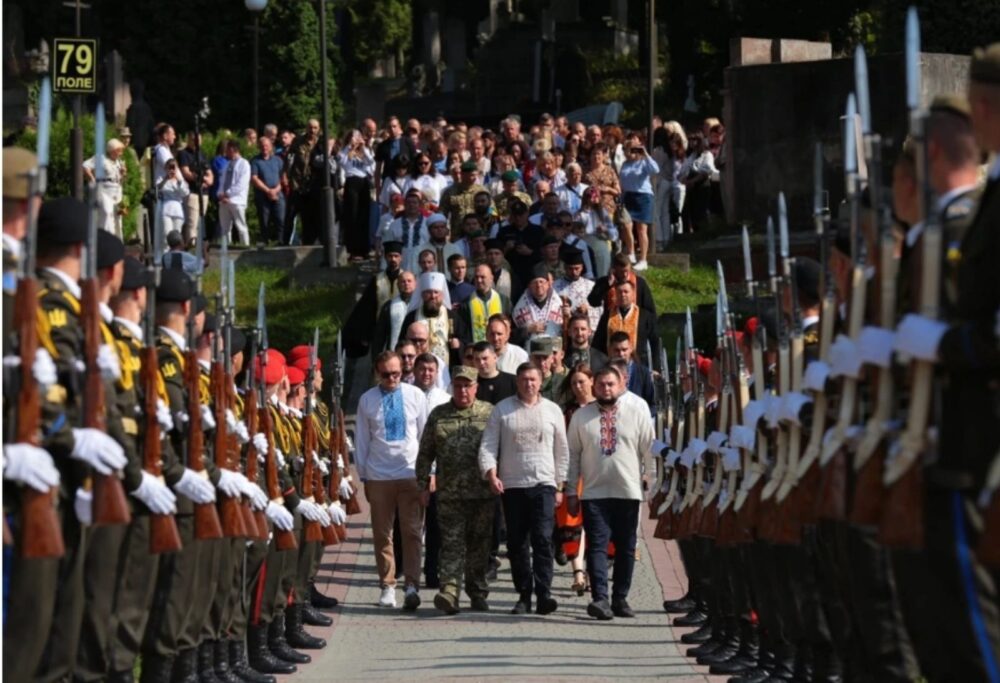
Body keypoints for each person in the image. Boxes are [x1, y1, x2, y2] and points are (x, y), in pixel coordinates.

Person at [479, 363, 569, 615]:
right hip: (513, 484)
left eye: (533, 379)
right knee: (517, 542)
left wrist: (561, 483)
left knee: (542, 538)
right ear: (517, 382)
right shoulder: (503, 410)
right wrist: (491, 472)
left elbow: (562, 450)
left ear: (540, 382)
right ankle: (524, 594)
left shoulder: (552, 410)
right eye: (524, 380)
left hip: (544, 483)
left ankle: (544, 594)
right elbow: (488, 444)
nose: (529, 384)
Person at [566, 366, 653, 620]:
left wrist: (653, 485)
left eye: (611, 384)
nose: (606, 389)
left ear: (621, 384)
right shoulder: (582, 417)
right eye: (602, 384)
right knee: (597, 545)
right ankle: (600, 598)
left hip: (628, 490)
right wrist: (571, 490)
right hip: (594, 492)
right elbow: (572, 456)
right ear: (594, 386)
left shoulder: (636, 412)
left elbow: (650, 451)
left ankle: (620, 598)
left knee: (626, 547)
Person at [415, 366, 496, 614]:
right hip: (449, 493)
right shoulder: (439, 415)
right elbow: (425, 452)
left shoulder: (489, 413)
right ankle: (449, 591)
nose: (463, 390)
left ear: (476, 387)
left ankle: (477, 591)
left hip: (482, 494)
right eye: (458, 386)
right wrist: (422, 485)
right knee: (451, 544)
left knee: (479, 545)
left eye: (467, 386)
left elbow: (500, 448)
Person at [355, 351, 429, 610]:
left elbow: (425, 435)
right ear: (377, 372)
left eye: (396, 373)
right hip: (379, 475)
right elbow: (362, 439)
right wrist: (363, 474)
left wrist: (429, 471)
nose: (392, 378)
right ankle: (387, 585)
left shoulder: (415, 395)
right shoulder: (367, 399)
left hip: (410, 472)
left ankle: (412, 586)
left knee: (412, 533)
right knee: (382, 534)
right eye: (386, 374)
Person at [342, 241, 404, 358]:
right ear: (385, 257)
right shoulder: (377, 280)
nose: (393, 259)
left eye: (396, 256)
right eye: (390, 256)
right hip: (379, 327)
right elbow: (367, 307)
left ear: (401, 258)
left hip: (401, 326)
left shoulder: (406, 279)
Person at [594, 280, 659, 369]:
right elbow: (598, 343)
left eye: (626, 292)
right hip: (612, 366)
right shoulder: (607, 316)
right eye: (619, 292)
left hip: (639, 365)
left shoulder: (645, 316)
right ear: (615, 294)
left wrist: (656, 368)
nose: (623, 295)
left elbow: (654, 342)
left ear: (633, 294)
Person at [618, 134, 659, 271]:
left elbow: (655, 170)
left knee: (641, 229)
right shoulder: (625, 164)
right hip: (628, 196)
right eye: (627, 149)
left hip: (643, 197)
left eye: (632, 149)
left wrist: (645, 154)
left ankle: (643, 259)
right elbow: (623, 181)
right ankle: (631, 252)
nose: (629, 153)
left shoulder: (643, 163)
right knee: (626, 225)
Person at [400, 271, 458, 364]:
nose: (433, 296)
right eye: (428, 292)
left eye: (436, 292)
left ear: (442, 295)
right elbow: (402, 343)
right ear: (422, 295)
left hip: (446, 369)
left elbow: (465, 340)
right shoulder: (412, 317)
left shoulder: (452, 316)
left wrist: (458, 344)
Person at [339, 129, 377, 260]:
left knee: (364, 215)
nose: (357, 139)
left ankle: (364, 248)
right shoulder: (346, 151)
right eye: (354, 137)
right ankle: (353, 249)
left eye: (359, 136)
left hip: (363, 182)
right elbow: (342, 162)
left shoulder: (365, 152)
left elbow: (371, 163)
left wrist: (364, 147)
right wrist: (350, 146)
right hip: (351, 181)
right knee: (353, 215)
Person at [455, 264, 512, 344]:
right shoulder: (466, 303)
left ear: (491, 278)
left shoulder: (504, 300)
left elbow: (509, 327)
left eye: (482, 277)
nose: (479, 280)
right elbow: (463, 332)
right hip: (477, 351)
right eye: (476, 277)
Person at [82, 138, 127, 238]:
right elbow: (85, 166)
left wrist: (123, 174)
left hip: (116, 191)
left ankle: (116, 243)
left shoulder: (119, 162)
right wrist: (92, 179)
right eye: (119, 151)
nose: (121, 153)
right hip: (104, 191)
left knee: (117, 219)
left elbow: (121, 179)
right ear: (113, 150)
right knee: (107, 214)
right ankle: (105, 239)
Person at [588, 251, 657, 317]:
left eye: (627, 271)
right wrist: (607, 285)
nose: (625, 275)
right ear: (614, 270)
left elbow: (649, 309)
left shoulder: (639, 283)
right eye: (621, 272)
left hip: (634, 323)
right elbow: (593, 302)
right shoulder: (604, 282)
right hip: (611, 323)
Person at [177, 132, 214, 247]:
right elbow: (186, 172)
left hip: (204, 193)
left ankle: (198, 246)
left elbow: (209, 172)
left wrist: (209, 180)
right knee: (192, 222)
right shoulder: (184, 154)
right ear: (190, 140)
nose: (197, 142)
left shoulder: (202, 154)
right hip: (192, 192)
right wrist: (202, 179)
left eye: (199, 139)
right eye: (195, 140)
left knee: (199, 222)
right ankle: (191, 246)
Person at [371, 270, 417, 360]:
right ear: (398, 285)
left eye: (409, 281)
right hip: (395, 353)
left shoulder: (421, 304)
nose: (406, 284)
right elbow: (380, 335)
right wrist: (376, 358)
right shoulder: (389, 306)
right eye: (403, 281)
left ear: (415, 283)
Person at [250, 136, 286, 246]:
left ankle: (281, 242)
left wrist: (275, 190)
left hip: (277, 193)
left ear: (271, 147)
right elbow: (254, 179)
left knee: (281, 219)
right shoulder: (255, 161)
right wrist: (268, 191)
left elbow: (283, 178)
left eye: (266, 145)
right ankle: (265, 243)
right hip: (262, 194)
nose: (264, 147)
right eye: (262, 145)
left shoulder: (278, 160)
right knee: (264, 221)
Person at [440, 160, 489, 238]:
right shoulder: (450, 192)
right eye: (471, 175)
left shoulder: (482, 191)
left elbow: (491, 211)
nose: (474, 178)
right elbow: (442, 214)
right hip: (457, 234)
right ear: (463, 175)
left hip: (478, 235)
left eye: (475, 175)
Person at [217, 140, 251, 245]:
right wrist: (220, 194)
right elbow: (222, 182)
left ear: (233, 149)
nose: (225, 152)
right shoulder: (227, 165)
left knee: (241, 227)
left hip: (237, 200)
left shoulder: (244, 164)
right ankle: (227, 250)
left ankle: (245, 249)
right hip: (224, 201)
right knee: (225, 229)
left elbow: (242, 183)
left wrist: (228, 194)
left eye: (227, 150)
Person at [156, 159, 190, 237]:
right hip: (166, 208)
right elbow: (158, 190)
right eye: (169, 168)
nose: (171, 170)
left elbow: (185, 193)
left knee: (177, 235)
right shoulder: (162, 179)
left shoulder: (181, 181)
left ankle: (175, 249)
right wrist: (166, 179)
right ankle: (166, 249)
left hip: (177, 209)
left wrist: (178, 180)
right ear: (166, 169)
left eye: (173, 167)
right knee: (166, 234)